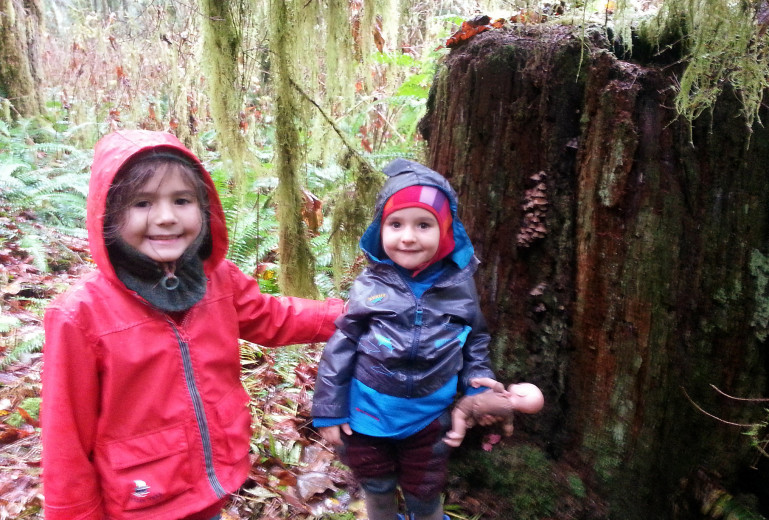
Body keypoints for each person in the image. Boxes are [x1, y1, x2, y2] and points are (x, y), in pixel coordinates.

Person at [41, 130, 344, 520]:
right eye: (142, 203)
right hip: (142, 498)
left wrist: (346, 316)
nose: (166, 217)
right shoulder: (80, 315)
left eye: (182, 200)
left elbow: (270, 316)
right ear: (110, 216)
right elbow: (65, 436)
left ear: (204, 209)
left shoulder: (217, 278)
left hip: (214, 478)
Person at [312, 158, 498, 520]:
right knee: (376, 487)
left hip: (428, 419)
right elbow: (342, 345)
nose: (408, 236)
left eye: (424, 224)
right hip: (366, 417)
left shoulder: (459, 286)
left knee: (426, 491)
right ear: (380, 229)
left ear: (445, 232)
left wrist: (478, 386)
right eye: (395, 224)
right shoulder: (371, 283)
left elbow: (474, 339)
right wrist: (328, 410)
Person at [443, 380, 544, 447]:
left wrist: (478, 380)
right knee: (469, 421)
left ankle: (458, 434)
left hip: (471, 402)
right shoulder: (508, 413)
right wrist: (508, 431)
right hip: (478, 414)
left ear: (521, 392)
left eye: (520, 385)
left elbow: (491, 382)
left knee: (457, 414)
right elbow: (508, 425)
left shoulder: (501, 391)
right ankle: (463, 428)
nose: (516, 384)